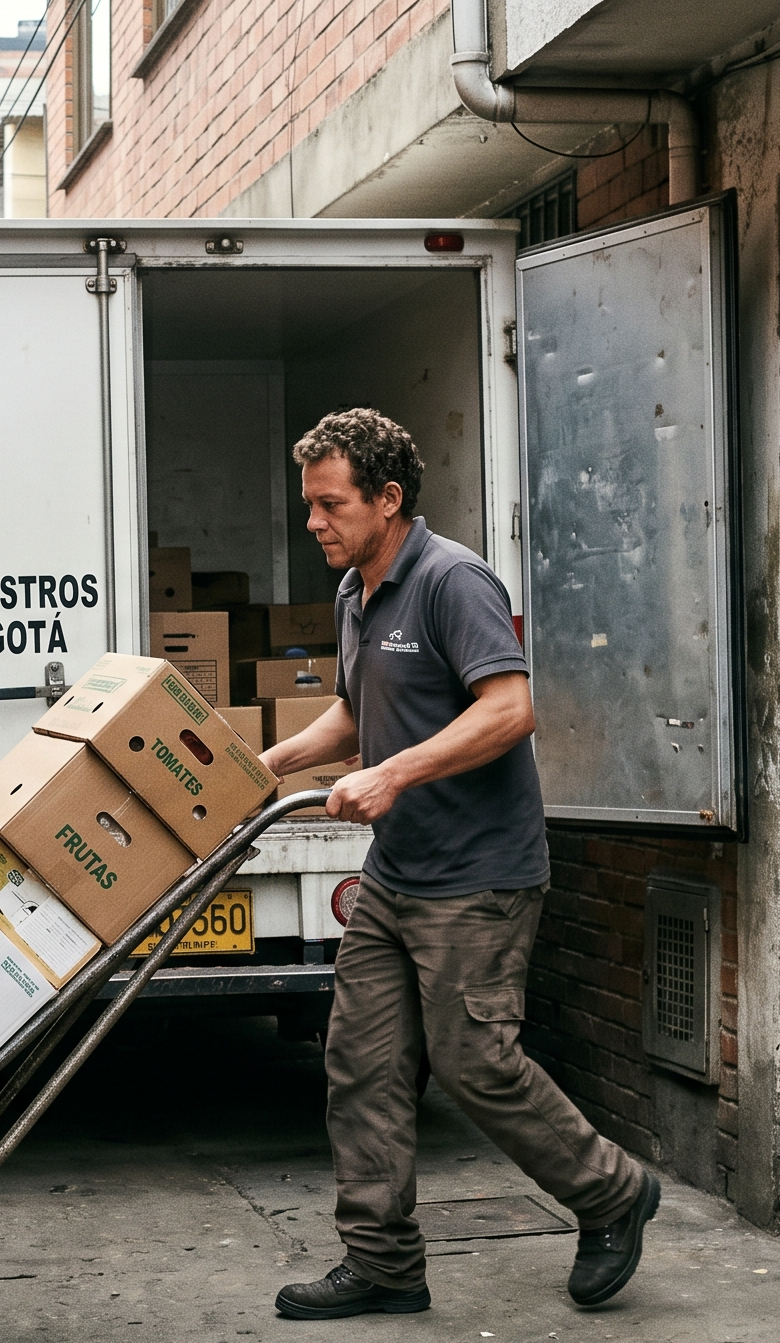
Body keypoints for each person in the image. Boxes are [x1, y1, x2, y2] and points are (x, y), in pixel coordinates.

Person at [260, 409, 657, 1319]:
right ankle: (384, 1262)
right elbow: (359, 713)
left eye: (330, 504)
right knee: (360, 1062)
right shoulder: (357, 590)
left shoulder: (452, 579)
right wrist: (269, 763)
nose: (314, 522)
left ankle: (611, 1191)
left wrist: (394, 773)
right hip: (398, 877)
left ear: (388, 498)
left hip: (478, 879)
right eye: (310, 505)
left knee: (476, 1060)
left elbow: (509, 709)